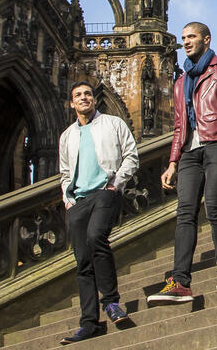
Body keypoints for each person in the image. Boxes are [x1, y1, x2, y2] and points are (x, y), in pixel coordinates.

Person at [148, 22, 217, 304]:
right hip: (188, 152)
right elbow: (178, 126)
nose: (185, 42)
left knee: (214, 206)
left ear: (206, 39)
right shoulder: (180, 82)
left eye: (191, 37)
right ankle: (180, 281)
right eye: (183, 38)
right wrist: (172, 160)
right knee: (185, 213)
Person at [57, 81, 140, 344]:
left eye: (87, 94)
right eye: (78, 95)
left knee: (96, 238)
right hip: (78, 201)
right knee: (82, 261)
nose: (84, 98)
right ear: (72, 103)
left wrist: (116, 183)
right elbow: (65, 172)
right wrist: (67, 198)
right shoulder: (67, 135)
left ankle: (112, 303)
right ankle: (89, 322)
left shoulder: (113, 124)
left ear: (94, 99)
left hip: (106, 191)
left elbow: (131, 155)